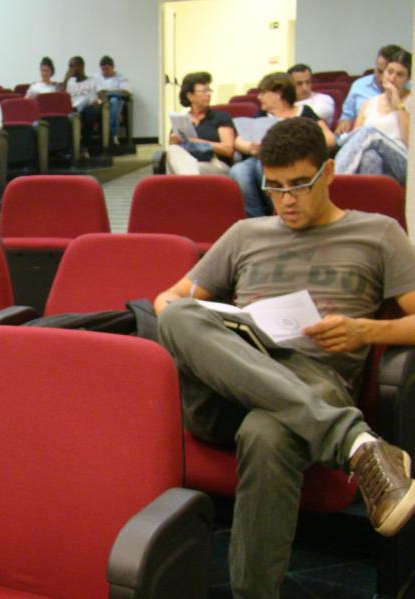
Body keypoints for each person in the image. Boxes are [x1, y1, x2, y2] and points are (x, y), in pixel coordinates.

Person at [155, 117, 415, 599]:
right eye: (274, 187)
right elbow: (166, 299)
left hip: (318, 380)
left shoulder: (379, 233)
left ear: (328, 173)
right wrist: (229, 322)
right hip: (228, 387)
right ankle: (354, 441)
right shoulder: (244, 234)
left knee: (267, 431)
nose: (286, 200)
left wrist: (365, 330)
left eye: (299, 185)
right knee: (177, 315)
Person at [229, 72, 335, 217]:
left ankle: (279, 212)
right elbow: (238, 141)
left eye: (263, 93)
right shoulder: (262, 115)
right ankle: (255, 217)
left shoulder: (303, 112)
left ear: (278, 94)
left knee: (263, 168)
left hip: (292, 159)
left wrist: (296, 144)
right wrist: (249, 146)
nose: (259, 97)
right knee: (238, 171)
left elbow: (329, 139)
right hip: (259, 156)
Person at [335, 48, 410, 185]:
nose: (392, 78)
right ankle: (366, 199)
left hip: (405, 165)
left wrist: (398, 104)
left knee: (369, 132)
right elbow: (356, 143)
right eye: (390, 72)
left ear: (408, 79)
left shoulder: (411, 100)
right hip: (381, 166)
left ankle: (335, 183)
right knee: (370, 158)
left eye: (400, 75)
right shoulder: (369, 103)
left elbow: (410, 143)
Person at [166, 71, 235, 175]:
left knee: (193, 167)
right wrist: (173, 141)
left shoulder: (220, 117)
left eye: (209, 90)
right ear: (190, 96)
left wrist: (195, 141)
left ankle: (187, 181)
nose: (208, 94)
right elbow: (175, 150)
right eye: (204, 91)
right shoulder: (181, 120)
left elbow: (228, 150)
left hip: (215, 163)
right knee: (173, 150)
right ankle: (190, 180)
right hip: (188, 162)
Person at [335, 44, 403, 134]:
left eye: (390, 72)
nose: (383, 78)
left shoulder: (411, 91)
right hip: (363, 137)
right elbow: (347, 116)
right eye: (380, 71)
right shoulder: (359, 86)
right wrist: (344, 123)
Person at [61, 56, 104, 159]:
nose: (71, 69)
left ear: (81, 66)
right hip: (74, 110)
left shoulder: (93, 80)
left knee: (89, 113)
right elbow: (60, 98)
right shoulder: (69, 83)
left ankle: (84, 146)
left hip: (89, 107)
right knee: (66, 117)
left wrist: (98, 102)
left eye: (73, 66)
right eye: (70, 66)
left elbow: (103, 97)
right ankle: (70, 150)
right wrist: (65, 80)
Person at [95, 55, 132, 145]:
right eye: (103, 69)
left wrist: (108, 93)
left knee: (114, 100)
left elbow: (126, 92)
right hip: (100, 101)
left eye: (107, 69)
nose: (105, 71)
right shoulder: (96, 78)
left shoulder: (121, 78)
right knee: (109, 102)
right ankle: (111, 135)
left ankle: (111, 135)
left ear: (112, 67)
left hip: (116, 101)